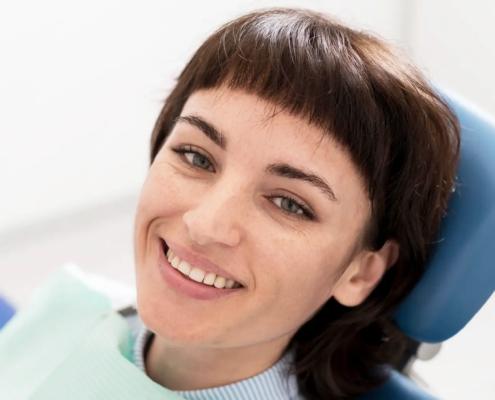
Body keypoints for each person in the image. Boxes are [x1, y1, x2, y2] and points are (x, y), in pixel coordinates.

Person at [4, 7, 461, 400]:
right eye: (195, 156)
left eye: (289, 203)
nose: (205, 224)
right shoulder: (75, 302)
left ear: (360, 271)